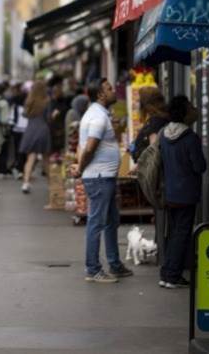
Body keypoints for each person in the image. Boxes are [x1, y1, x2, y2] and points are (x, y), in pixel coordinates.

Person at [69, 78, 133, 283]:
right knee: (96, 222)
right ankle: (93, 269)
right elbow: (89, 147)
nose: (114, 91)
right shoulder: (97, 117)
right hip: (99, 178)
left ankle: (114, 264)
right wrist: (80, 167)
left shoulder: (99, 115)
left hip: (103, 177)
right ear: (100, 95)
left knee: (111, 221)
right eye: (110, 89)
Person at [158, 96, 204, 288]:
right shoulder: (191, 138)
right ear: (185, 113)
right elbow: (199, 166)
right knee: (181, 233)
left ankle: (166, 272)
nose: (195, 109)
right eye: (191, 107)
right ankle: (172, 275)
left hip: (169, 192)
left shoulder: (163, 135)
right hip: (186, 194)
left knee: (173, 231)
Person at [18, 81, 51, 194]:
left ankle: (26, 183)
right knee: (46, 159)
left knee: (30, 158)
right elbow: (48, 117)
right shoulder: (46, 101)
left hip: (31, 129)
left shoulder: (29, 101)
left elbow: (24, 114)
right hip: (43, 129)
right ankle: (51, 184)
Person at [132, 88, 170, 163]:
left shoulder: (155, 122)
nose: (137, 104)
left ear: (146, 104)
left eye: (139, 102)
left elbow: (153, 152)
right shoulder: (161, 119)